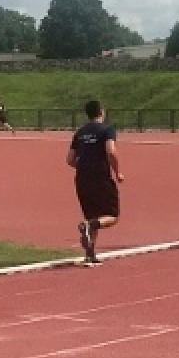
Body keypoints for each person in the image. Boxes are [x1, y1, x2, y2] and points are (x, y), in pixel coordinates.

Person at [65, 99, 123, 265]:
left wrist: (84, 166)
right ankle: (89, 227)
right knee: (112, 216)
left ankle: (90, 254)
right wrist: (118, 172)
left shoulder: (80, 132)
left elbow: (69, 159)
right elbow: (111, 151)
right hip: (100, 177)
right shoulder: (107, 129)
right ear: (101, 112)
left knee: (92, 216)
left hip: (82, 178)